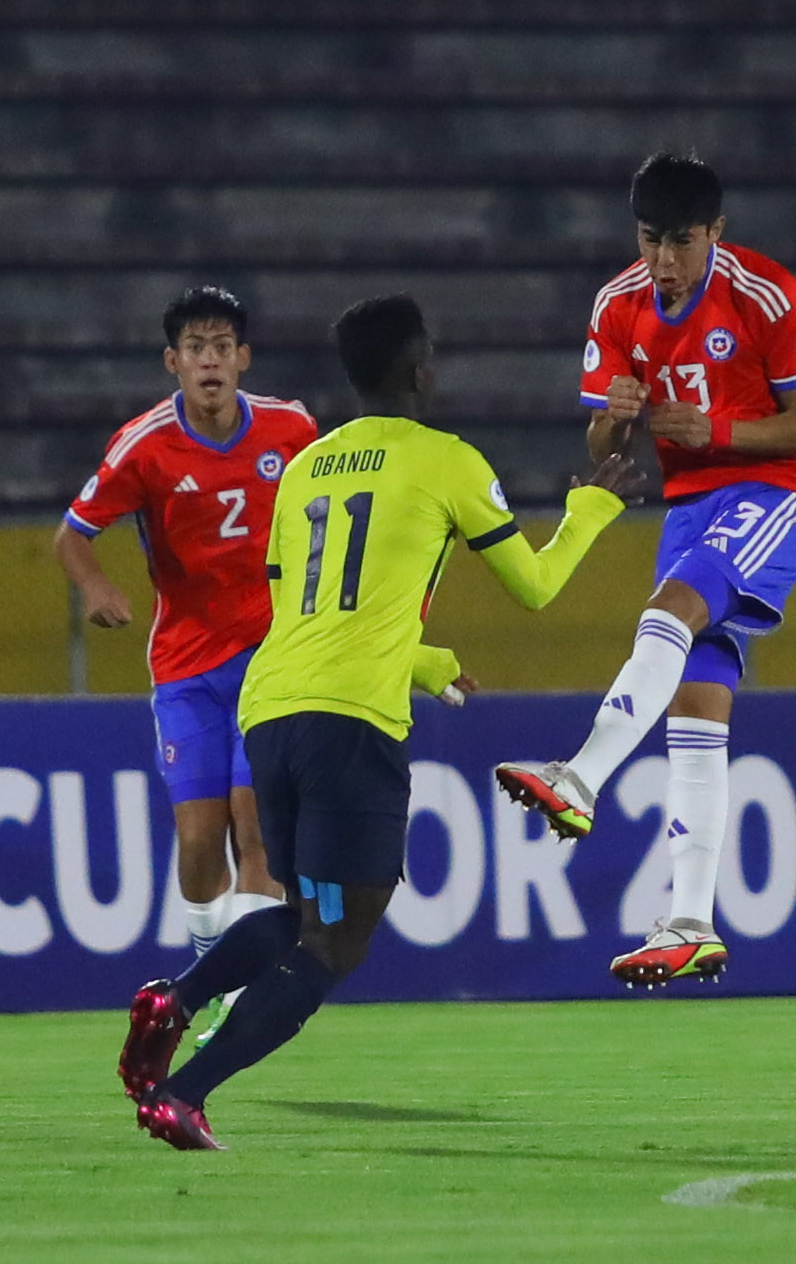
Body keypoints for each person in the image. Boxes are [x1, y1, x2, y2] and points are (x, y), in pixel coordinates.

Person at [118, 294, 637, 1150]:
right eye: (428, 354)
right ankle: (183, 1091)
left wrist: (424, 661)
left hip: (273, 706)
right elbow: (535, 586)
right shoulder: (446, 460)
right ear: (414, 370)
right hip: (349, 725)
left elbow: (310, 609)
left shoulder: (307, 465)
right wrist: (593, 507)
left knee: (301, 914)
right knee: (338, 944)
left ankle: (171, 1002)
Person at [495, 152, 796, 988]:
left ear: (715, 231)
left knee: (671, 607)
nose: (665, 262)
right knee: (696, 706)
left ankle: (579, 775)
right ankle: (689, 921)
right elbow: (601, 444)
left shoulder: (767, 295)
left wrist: (716, 431)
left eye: (682, 241)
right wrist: (613, 424)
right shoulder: (617, 305)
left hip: (773, 488)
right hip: (689, 506)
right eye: (651, 240)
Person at [55, 287, 316, 976]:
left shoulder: (291, 430)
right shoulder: (144, 447)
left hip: (271, 658)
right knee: (200, 841)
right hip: (187, 667)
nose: (210, 362)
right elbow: (73, 536)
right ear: (173, 361)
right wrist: (99, 586)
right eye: (196, 349)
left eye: (222, 348)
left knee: (254, 828)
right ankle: (209, 958)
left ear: (243, 358)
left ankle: (241, 989)